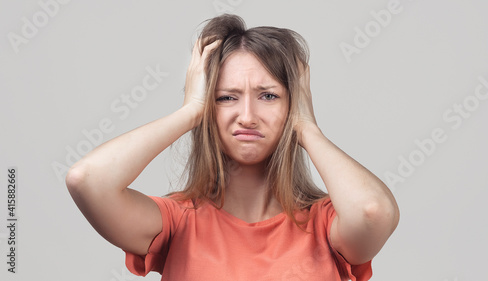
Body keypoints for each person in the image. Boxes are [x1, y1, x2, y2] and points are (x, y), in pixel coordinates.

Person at [66, 14, 399, 280]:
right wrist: (190, 112)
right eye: (226, 97)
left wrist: (306, 126)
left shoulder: (326, 225)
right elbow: (87, 179)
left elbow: (374, 211)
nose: (248, 116)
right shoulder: (178, 221)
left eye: (268, 95)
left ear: (292, 105)